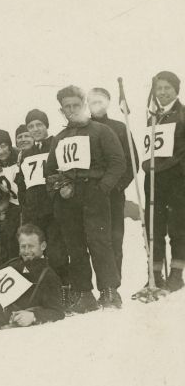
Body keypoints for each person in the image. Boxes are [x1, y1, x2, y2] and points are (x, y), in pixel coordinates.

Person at [44, 85, 125, 312]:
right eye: (66, 107)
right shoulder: (58, 138)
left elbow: (118, 162)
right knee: (75, 246)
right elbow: (50, 171)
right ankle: (83, 293)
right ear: (61, 110)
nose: (71, 110)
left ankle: (109, 290)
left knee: (99, 242)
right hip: (68, 197)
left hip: (94, 193)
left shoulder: (100, 131)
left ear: (84, 105)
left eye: (75, 105)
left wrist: (103, 188)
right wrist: (59, 188)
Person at [17, 109, 68, 296]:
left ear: (46, 125)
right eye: (31, 126)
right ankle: (39, 292)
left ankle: (63, 290)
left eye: (39, 124)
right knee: (34, 252)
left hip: (53, 209)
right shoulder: (25, 153)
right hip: (33, 210)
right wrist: (26, 203)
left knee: (56, 252)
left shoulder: (56, 143)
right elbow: (22, 183)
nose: (35, 129)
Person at [141, 72, 185, 291]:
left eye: (167, 88)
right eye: (159, 88)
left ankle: (177, 274)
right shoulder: (153, 117)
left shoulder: (183, 114)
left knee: (178, 226)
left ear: (176, 89)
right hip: (154, 178)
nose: (163, 92)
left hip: (177, 180)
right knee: (153, 227)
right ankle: (155, 274)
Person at [88, 87, 137, 277]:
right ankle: (96, 283)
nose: (96, 106)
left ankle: (114, 283)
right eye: (92, 102)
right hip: (89, 195)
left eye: (100, 101)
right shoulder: (83, 129)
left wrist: (117, 186)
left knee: (114, 238)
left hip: (113, 194)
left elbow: (132, 163)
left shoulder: (119, 127)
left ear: (107, 103)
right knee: (93, 239)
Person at [0, 129, 21, 261]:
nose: (0, 151)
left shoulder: (19, 159)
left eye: (3, 146)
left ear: (9, 145)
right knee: (9, 240)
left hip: (25, 206)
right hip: (12, 207)